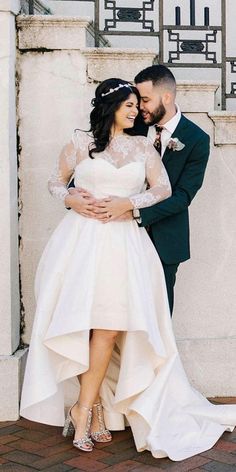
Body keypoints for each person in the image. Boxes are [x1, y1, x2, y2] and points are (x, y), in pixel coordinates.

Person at [20, 78, 236, 461]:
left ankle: (83, 409)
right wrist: (70, 197)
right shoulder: (80, 142)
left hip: (124, 245)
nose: (136, 110)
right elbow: (56, 181)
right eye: (129, 104)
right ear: (110, 107)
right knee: (83, 325)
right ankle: (95, 407)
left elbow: (165, 189)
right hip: (81, 244)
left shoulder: (144, 147)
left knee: (110, 327)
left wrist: (129, 204)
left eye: (139, 104)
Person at [68, 65, 210, 314]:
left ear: (166, 97)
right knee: (113, 311)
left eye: (145, 100)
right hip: (114, 236)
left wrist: (133, 212)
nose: (139, 107)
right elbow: (94, 159)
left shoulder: (197, 139)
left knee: (157, 315)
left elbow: (183, 196)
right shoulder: (132, 123)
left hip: (164, 239)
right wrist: (73, 193)